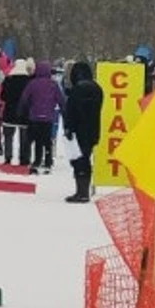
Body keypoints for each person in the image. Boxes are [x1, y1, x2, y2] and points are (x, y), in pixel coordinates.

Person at [61, 61, 102, 203]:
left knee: (79, 160)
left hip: (78, 131)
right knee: (86, 157)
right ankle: (84, 190)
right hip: (93, 130)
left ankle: (81, 191)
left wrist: (68, 128)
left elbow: (71, 112)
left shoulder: (77, 90)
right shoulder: (97, 88)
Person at [19, 58, 64, 174]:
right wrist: (64, 111)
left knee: (33, 139)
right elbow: (61, 99)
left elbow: (24, 98)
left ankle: (36, 160)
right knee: (47, 140)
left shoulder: (32, 84)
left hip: (34, 116)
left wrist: (23, 110)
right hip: (48, 117)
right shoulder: (53, 85)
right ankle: (48, 161)